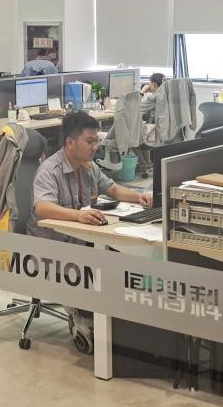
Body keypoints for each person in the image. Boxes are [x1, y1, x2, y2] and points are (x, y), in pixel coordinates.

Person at [33, 110, 153, 344]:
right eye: (89, 142)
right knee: (104, 266)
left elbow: (113, 189)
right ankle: (86, 316)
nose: (95, 147)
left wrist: (139, 197)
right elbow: (42, 207)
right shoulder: (49, 170)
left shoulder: (87, 167)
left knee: (124, 259)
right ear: (70, 143)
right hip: (55, 244)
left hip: (84, 238)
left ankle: (118, 322)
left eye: (96, 141)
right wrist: (78, 216)